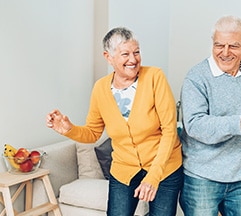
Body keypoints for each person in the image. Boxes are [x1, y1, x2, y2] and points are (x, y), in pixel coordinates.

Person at [46, 27, 183, 216]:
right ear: (108, 57)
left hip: (164, 168)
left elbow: (169, 131)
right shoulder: (100, 89)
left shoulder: (154, 77)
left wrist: (154, 176)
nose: (133, 59)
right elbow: (93, 133)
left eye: (136, 52)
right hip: (124, 169)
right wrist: (70, 130)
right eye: (125, 54)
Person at [179, 15, 241, 216]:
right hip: (202, 177)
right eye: (219, 45)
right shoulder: (196, 77)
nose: (225, 53)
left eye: (233, 46)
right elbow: (194, 125)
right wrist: (238, 124)